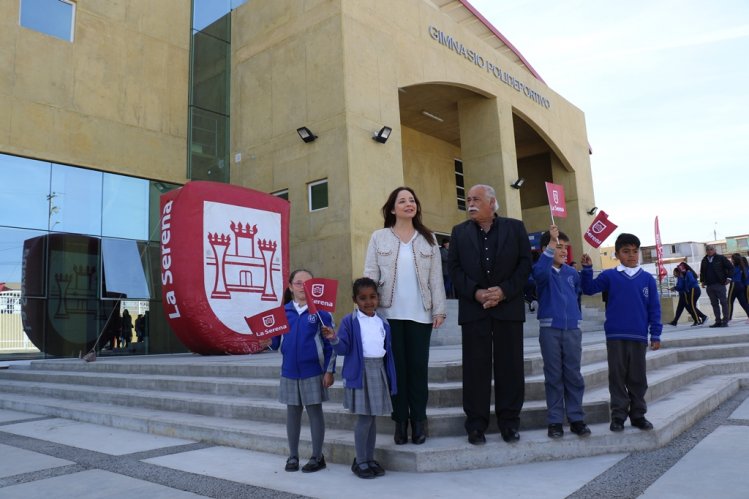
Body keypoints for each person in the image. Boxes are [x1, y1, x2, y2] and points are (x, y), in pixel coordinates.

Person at [447, 184, 532, 445]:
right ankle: (475, 425)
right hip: (475, 310)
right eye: (468, 199)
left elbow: (525, 263)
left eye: (476, 199)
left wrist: (503, 291)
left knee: (510, 367)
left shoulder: (515, 228)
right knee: (475, 369)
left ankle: (509, 423)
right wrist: (476, 293)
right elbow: (454, 269)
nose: (470, 203)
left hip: (508, 308)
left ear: (492, 203)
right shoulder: (459, 233)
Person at [363, 186, 446, 445]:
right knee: (396, 371)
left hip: (421, 314)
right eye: (402, 201)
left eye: (412, 200)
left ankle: (419, 421)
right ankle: (400, 421)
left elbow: (436, 278)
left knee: (418, 370)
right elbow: (370, 273)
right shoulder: (379, 237)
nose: (409, 204)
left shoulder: (429, 239)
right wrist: (367, 309)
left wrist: (439, 309)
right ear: (392, 208)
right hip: (389, 315)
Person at [580, 233, 661, 432]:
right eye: (626, 252)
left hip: (639, 336)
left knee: (638, 378)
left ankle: (638, 415)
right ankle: (618, 416)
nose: (632, 255)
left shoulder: (647, 279)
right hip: (615, 336)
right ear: (617, 254)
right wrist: (587, 269)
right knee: (617, 378)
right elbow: (589, 289)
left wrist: (656, 334)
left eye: (635, 251)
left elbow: (654, 308)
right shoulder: (610, 275)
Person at [322, 277, 396, 479]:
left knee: (372, 419)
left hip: (378, 371)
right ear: (355, 300)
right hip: (360, 372)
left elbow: (386, 349)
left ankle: (369, 459)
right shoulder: (350, 321)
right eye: (363, 298)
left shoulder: (383, 320)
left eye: (372, 297)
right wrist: (334, 339)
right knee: (364, 419)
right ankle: (360, 461)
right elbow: (344, 348)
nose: (368, 302)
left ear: (378, 298)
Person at [270, 269, 335, 473]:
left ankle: (317, 456)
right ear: (290, 287)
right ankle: (293, 456)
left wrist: (328, 370)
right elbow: (274, 343)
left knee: (315, 412)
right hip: (289, 371)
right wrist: (265, 342)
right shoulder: (282, 312)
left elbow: (329, 345)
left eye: (307, 283)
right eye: (298, 283)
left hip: (313, 371)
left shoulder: (321, 313)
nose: (302, 287)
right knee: (292, 413)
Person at [533, 225, 590, 439]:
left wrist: (587, 269)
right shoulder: (542, 270)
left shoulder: (571, 273)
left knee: (574, 375)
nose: (564, 251)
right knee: (554, 376)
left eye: (565, 247)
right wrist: (549, 245)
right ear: (547, 249)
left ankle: (576, 418)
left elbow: (578, 293)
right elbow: (538, 275)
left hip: (573, 330)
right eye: (558, 247)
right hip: (550, 330)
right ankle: (555, 421)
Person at [699, 245, 734, 327]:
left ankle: (725, 321)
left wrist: (729, 278)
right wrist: (702, 281)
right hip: (709, 286)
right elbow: (702, 272)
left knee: (723, 303)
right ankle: (717, 321)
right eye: (707, 250)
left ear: (714, 250)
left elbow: (731, 268)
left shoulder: (721, 258)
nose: (709, 251)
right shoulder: (704, 260)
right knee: (714, 304)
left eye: (711, 249)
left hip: (720, 284)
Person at [727, 253, 749, 322]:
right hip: (740, 285)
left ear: (734, 260)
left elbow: (730, 274)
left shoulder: (734, 267)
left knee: (730, 301)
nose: (731, 260)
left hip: (734, 284)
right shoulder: (741, 266)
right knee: (743, 302)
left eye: (731, 258)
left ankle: (728, 317)